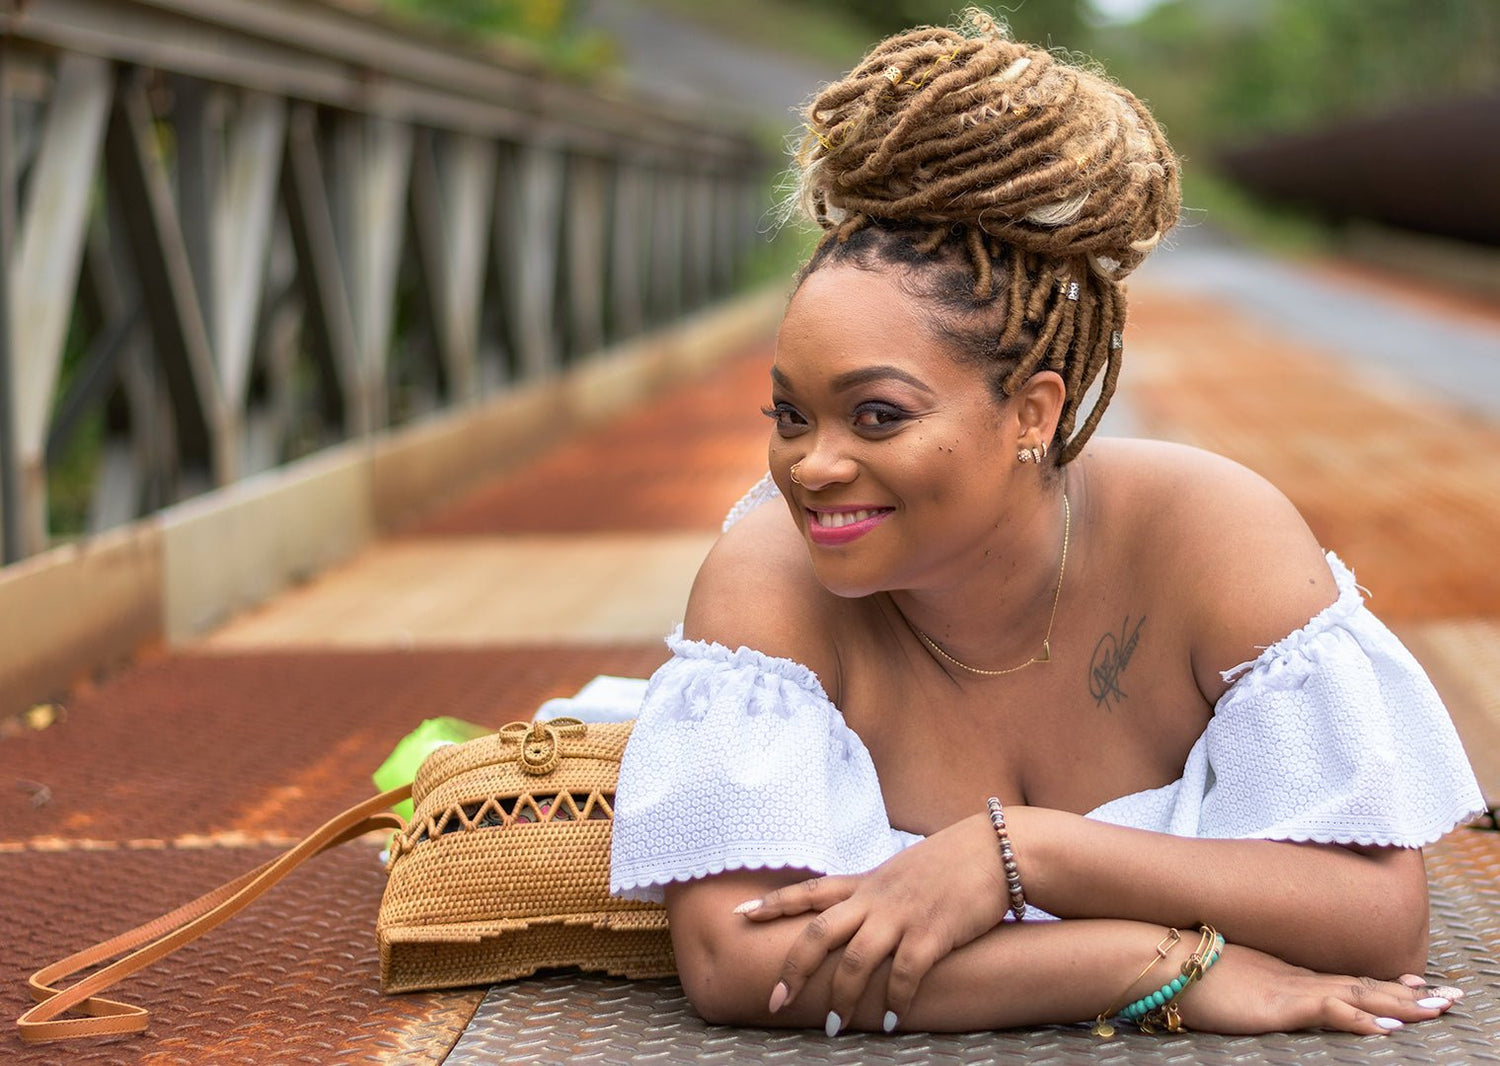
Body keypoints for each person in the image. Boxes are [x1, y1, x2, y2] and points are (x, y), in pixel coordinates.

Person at [606, 10, 1484, 1040]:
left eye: (878, 414)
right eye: (790, 415)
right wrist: (1152, 961)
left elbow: (1380, 923)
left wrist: (1023, 853)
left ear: (1034, 410)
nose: (814, 465)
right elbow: (733, 962)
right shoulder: (768, 575)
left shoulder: (1212, 534)